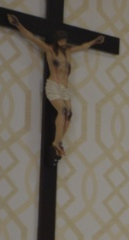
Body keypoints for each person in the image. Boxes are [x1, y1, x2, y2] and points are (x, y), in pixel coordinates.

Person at [7, 14, 104, 157]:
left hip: (65, 88)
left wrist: (95, 41)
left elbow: (84, 46)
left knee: (70, 115)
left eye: (64, 39)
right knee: (63, 110)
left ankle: (58, 141)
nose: (63, 42)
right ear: (56, 40)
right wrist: (17, 24)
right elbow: (32, 37)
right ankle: (57, 142)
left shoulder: (69, 51)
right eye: (61, 39)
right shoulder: (50, 50)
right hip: (54, 85)